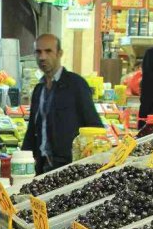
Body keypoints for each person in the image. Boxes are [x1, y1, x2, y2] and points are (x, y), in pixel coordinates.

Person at [21, 33, 103, 175]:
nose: (42, 57)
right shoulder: (38, 89)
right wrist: (23, 159)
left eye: (48, 51)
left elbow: (94, 126)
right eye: (38, 52)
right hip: (43, 166)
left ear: (59, 53)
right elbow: (32, 129)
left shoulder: (76, 84)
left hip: (69, 167)